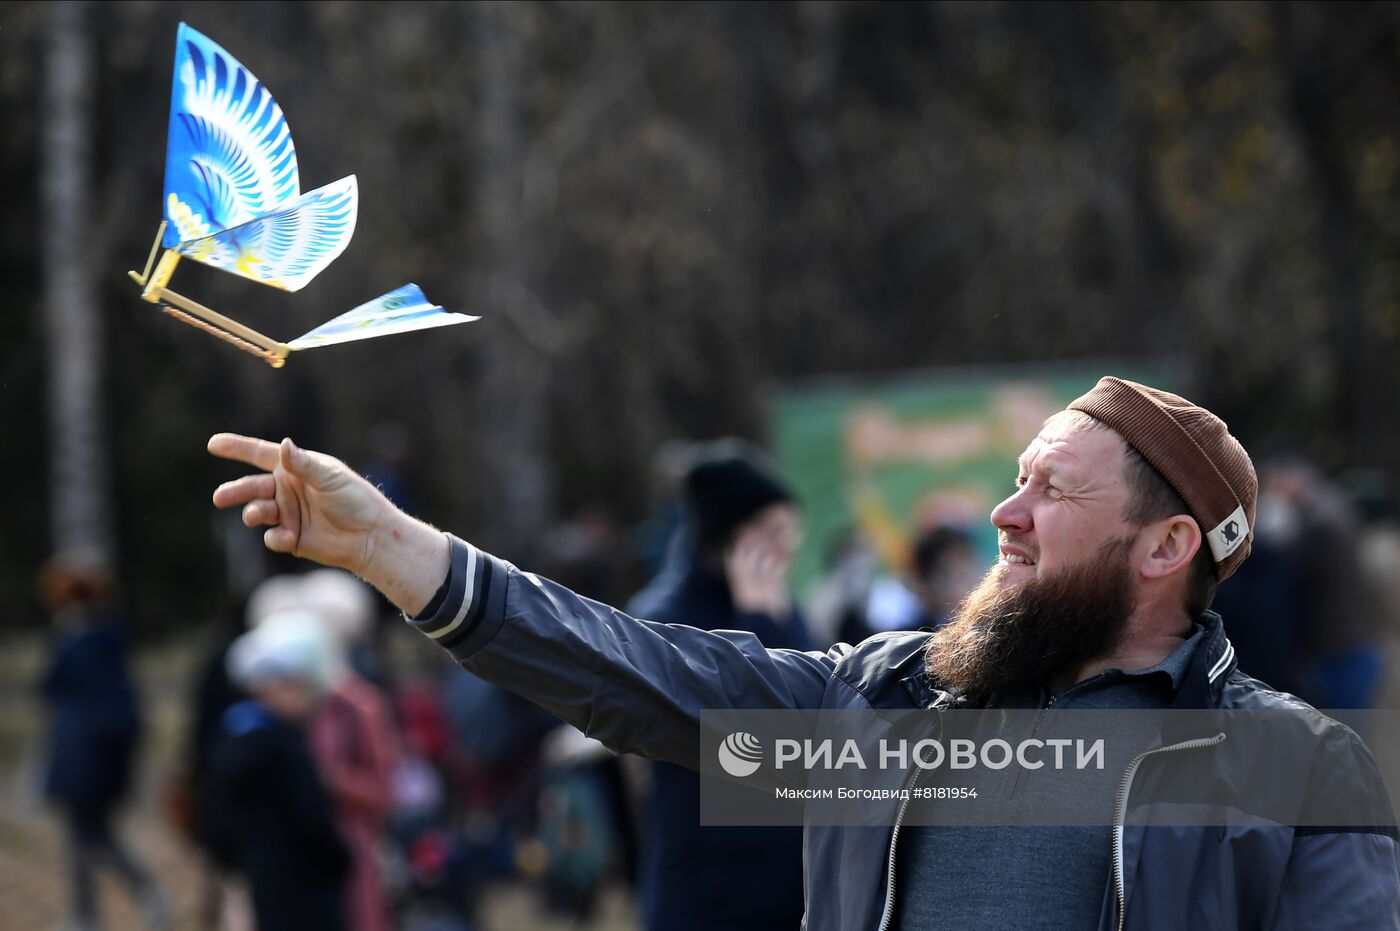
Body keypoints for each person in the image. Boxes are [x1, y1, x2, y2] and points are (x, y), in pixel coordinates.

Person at [207, 376, 1400, 929]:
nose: (1004, 514)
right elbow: (639, 676)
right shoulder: (883, 702)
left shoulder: (1296, 770)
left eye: (1050, 489)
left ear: (1165, 546)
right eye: (1013, 477)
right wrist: (405, 554)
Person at [626, 439, 813, 930]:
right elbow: (757, 731)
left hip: (787, 875)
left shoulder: (775, 604)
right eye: (772, 533)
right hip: (707, 882)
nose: (785, 547)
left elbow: (821, 714)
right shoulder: (665, 618)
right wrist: (759, 624)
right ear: (732, 536)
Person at [37, 553, 168, 931]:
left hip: (86, 766)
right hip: (88, 764)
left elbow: (78, 710)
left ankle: (122, 903)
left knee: (89, 838)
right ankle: (105, 908)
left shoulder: (85, 648)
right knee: (89, 838)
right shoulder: (95, 645)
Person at [204, 612, 352, 931]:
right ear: (269, 688)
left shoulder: (232, 738)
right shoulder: (283, 746)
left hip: (263, 883)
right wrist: (341, 859)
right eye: (293, 684)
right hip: (307, 890)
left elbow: (217, 821)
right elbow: (312, 818)